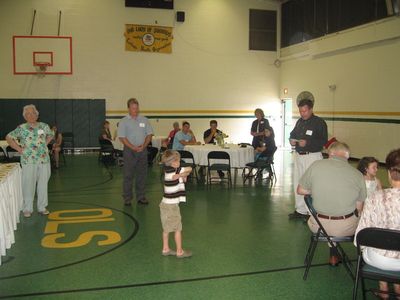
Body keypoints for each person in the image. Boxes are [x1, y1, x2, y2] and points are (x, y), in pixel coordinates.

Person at [297, 142, 366, 265]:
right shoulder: (358, 175)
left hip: (318, 226)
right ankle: (361, 258)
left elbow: (301, 190)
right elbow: (359, 208)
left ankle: (333, 253)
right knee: (357, 219)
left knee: (328, 219)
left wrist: (318, 189)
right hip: (345, 228)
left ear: (330, 153)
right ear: (347, 156)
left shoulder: (316, 165)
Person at [354, 148, 400, 299]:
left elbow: (360, 238)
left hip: (380, 259)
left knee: (378, 243)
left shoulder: (375, 199)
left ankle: (383, 287)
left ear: (389, 173)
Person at [6, 104, 54, 217]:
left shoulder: (44, 126)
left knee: (43, 184)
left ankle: (42, 207)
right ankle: (27, 208)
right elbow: (9, 137)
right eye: (27, 114)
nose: (31, 115)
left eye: (33, 113)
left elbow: (51, 135)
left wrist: (44, 144)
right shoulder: (21, 128)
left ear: (37, 115)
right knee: (28, 184)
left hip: (44, 160)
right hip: (28, 160)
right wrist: (19, 149)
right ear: (24, 116)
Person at [289, 97, 328, 219]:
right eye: (300, 111)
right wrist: (291, 140)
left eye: (304, 111)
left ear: (311, 109)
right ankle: (301, 210)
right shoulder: (300, 122)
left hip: (312, 157)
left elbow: (323, 141)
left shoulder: (319, 123)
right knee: (299, 182)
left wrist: (307, 144)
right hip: (299, 156)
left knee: (311, 184)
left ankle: (312, 212)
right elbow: (292, 134)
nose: (302, 113)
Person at [118, 98, 153, 206]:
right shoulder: (124, 121)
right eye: (133, 108)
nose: (136, 110)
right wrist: (132, 147)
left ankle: (141, 197)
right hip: (129, 151)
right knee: (128, 175)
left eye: (137, 108)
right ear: (128, 108)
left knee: (142, 174)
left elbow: (149, 134)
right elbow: (122, 137)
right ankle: (127, 198)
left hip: (142, 150)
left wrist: (144, 145)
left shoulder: (144, 120)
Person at [160, 150, 193, 258]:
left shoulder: (170, 170)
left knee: (166, 229)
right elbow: (187, 170)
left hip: (165, 205)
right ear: (173, 162)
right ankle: (179, 251)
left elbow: (188, 170)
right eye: (178, 160)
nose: (179, 162)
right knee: (177, 229)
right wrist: (183, 174)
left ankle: (165, 249)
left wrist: (183, 175)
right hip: (171, 207)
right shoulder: (172, 173)